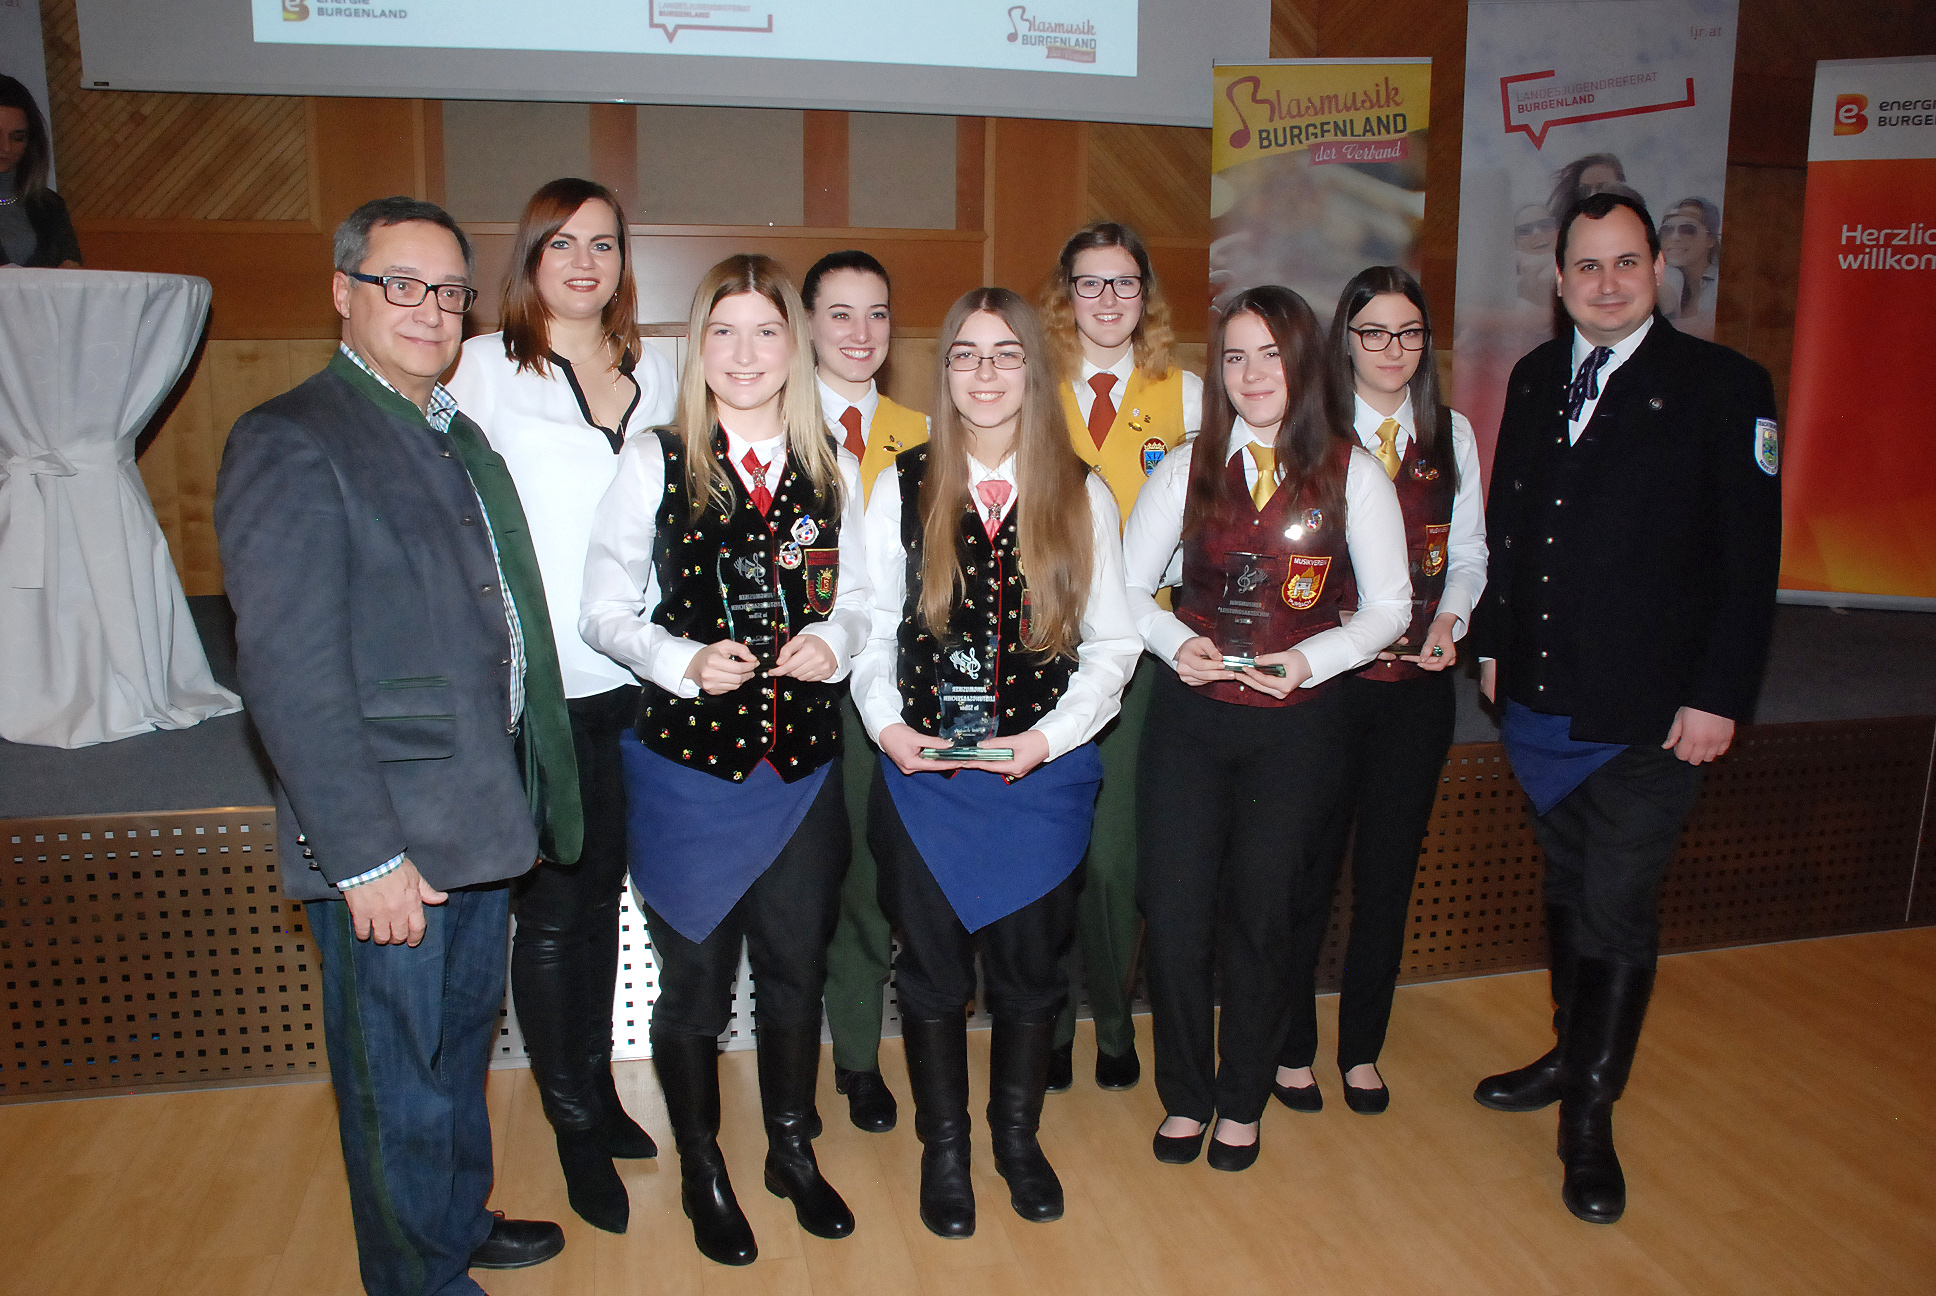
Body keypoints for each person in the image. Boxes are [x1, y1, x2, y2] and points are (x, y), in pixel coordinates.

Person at [215, 196, 577, 1295]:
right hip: (389, 836)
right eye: (401, 285)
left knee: (455, 1053)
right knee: (393, 1080)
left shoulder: (450, 433)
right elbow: (288, 674)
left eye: (450, 291)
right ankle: (415, 1278)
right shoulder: (291, 437)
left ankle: (452, 1223)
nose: (430, 310)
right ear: (344, 292)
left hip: (473, 810)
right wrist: (363, 854)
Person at [1468, 192, 1781, 1224]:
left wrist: (1717, 696)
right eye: (1588, 266)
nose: (1607, 283)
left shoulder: (1724, 387)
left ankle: (1589, 1116)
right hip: (1543, 698)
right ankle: (1571, 1053)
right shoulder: (1533, 376)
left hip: (1654, 713)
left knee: (1615, 903)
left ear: (1658, 270)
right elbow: (1512, 523)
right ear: (1559, 280)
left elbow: (1748, 563)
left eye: (1626, 263)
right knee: (1566, 885)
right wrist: (1494, 644)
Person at [579, 253, 867, 1267]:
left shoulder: (831, 466)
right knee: (695, 987)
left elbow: (860, 600)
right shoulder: (653, 460)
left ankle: (790, 1149)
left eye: (766, 332)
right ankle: (703, 1168)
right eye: (723, 332)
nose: (745, 354)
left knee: (795, 971)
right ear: (697, 346)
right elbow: (603, 609)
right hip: (689, 776)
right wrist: (679, 659)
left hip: (801, 774)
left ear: (795, 346)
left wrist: (835, 639)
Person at [852, 286, 1138, 1236]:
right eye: (966, 354)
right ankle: (946, 1151)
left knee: (1029, 979)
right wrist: (888, 729)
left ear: (1033, 372)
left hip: (1038, 781)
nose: (985, 372)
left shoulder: (1083, 492)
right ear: (944, 373)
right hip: (926, 781)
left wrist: (1051, 738)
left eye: (1006, 353)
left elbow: (1114, 645)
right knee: (930, 980)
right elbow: (867, 631)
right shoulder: (899, 486)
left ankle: (1016, 1140)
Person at [1122, 285, 1410, 1171]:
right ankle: (1186, 1095)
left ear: (1306, 364)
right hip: (1190, 722)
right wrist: (1173, 643)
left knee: (1263, 916)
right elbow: (1126, 588)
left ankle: (1241, 1099)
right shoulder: (1185, 468)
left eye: (1271, 354)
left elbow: (1391, 608)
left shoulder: (1354, 474)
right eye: (1235, 356)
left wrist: (1310, 661)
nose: (1252, 374)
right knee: (1174, 915)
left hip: (1297, 730)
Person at [445, 177, 677, 1234]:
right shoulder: (479, 369)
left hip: (651, 681)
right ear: (530, 257)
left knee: (607, 898)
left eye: (604, 244)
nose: (585, 263)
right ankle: (574, 1120)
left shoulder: (659, 371)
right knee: (553, 909)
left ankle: (592, 1085)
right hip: (545, 690)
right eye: (562, 244)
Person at [1270, 266, 1487, 1115]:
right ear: (1346, 342)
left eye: (1409, 333)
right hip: (1326, 689)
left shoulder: (1451, 435)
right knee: (1308, 871)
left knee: (1389, 877)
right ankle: (1292, 1046)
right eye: (1373, 333)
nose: (1393, 350)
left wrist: (1453, 620)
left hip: (1415, 690)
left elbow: (1468, 555)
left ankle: (1361, 1049)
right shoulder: (1311, 435)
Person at [1037, 220, 1204, 1093]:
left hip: (1145, 651)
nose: (1107, 300)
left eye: (1124, 283)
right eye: (1089, 283)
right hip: (1040, 650)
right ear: (1064, 295)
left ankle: (1109, 1019)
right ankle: (1046, 1022)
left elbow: (1213, 529)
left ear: (1147, 295)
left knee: (1112, 859)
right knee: (1045, 849)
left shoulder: (1191, 396)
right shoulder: (1030, 385)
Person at [802, 249, 928, 1135]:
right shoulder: (771, 425)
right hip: (808, 686)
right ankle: (851, 1055)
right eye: (840, 313)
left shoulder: (929, 432)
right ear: (807, 322)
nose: (860, 332)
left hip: (909, 685)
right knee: (836, 879)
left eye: (877, 313)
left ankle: (890, 1043)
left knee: (895, 876)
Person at [0, 76, 82, 268]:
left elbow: (72, 268)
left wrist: (70, 270)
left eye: (18, 138)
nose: (6, 148)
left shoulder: (50, 205)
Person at [1659, 197, 1721, 331]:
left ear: (1710, 240)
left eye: (1688, 230)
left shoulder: (1723, 285)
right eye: (1667, 230)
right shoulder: (1659, 275)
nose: (1675, 237)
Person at [1545, 153, 1627, 224]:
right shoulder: (1567, 232)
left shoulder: (1631, 226)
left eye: (1602, 187)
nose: (1592, 195)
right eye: (1585, 190)